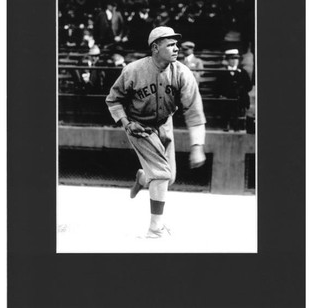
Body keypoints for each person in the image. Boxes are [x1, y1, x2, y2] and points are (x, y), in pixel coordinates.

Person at [106, 26, 206, 239]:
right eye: (170, 44)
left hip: (164, 123)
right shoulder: (133, 70)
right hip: (138, 125)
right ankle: (155, 229)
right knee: (161, 174)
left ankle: (143, 178)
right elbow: (113, 100)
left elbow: (194, 112)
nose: (176, 48)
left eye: (176, 44)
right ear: (155, 48)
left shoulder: (182, 73)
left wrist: (197, 147)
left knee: (169, 179)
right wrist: (126, 123)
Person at [216, 49, 252, 131]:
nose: (235, 61)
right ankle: (226, 125)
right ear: (227, 60)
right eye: (232, 58)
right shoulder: (222, 72)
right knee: (226, 105)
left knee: (238, 104)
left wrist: (241, 90)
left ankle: (237, 126)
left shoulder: (243, 72)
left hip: (239, 98)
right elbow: (217, 87)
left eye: (236, 58)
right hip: (226, 98)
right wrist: (220, 95)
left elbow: (249, 86)